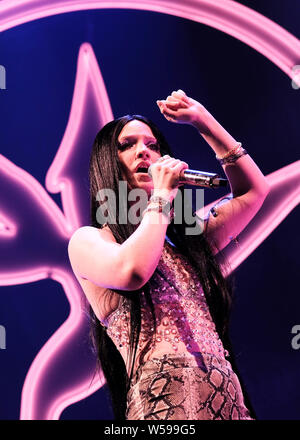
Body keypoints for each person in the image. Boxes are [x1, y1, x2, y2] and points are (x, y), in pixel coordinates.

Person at [68, 90, 269, 420]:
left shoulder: (186, 239)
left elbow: (252, 191)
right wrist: (161, 195)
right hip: (165, 408)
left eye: (152, 145)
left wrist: (202, 120)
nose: (143, 152)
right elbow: (133, 271)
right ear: (107, 162)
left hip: (228, 404)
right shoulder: (89, 241)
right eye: (128, 145)